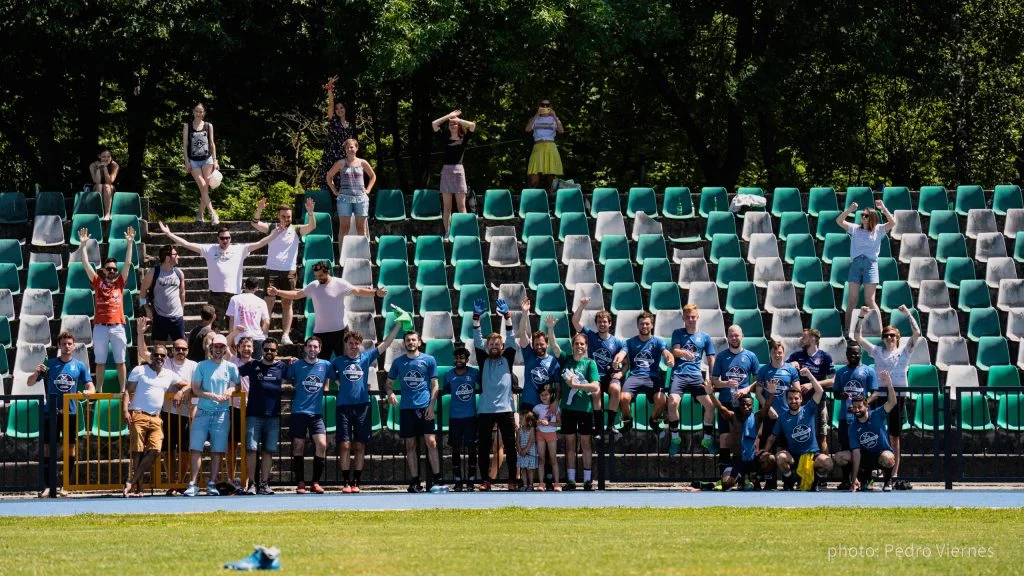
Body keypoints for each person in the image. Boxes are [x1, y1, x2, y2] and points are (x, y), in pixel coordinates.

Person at [159, 222, 280, 331]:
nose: (225, 240)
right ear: (218, 238)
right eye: (222, 238)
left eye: (228, 238)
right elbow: (186, 244)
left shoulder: (240, 249)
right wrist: (169, 233)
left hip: (235, 296)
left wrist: (275, 234)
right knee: (213, 328)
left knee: (233, 328)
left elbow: (260, 243)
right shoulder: (209, 249)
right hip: (215, 295)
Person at [855, 304, 921, 491]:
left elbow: (917, 333)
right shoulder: (877, 351)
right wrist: (861, 316)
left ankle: (893, 474)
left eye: (892, 335)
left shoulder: (904, 351)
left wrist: (908, 313)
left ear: (897, 338)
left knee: (895, 437)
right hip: (881, 396)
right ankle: (874, 471)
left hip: (898, 397)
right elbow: (857, 338)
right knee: (876, 432)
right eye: (886, 336)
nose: (889, 338)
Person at [330, 323, 402, 493]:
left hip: (362, 407)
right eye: (350, 344)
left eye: (356, 344)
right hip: (343, 408)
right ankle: (346, 481)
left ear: (360, 345)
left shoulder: (365, 358)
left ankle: (357, 481)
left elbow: (385, 344)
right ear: (346, 345)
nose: (353, 347)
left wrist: (397, 325)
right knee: (345, 445)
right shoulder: (338, 361)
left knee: (360, 445)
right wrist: (339, 383)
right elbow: (326, 371)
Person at [267, 260, 386, 359]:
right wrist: (278, 292)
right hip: (321, 333)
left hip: (340, 331)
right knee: (322, 366)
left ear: (327, 271)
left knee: (345, 361)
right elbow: (297, 294)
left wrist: (376, 293)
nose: (319, 278)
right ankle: (325, 388)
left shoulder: (340, 283)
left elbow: (358, 291)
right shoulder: (314, 285)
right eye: (316, 276)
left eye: (321, 275)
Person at [26, 332, 94, 497]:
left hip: (70, 412)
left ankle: (66, 485)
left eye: (70, 343)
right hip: (51, 412)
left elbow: (91, 387)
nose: (67, 346)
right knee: (48, 448)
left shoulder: (79, 366)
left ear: (74, 345)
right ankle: (49, 486)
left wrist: (87, 392)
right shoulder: (49, 364)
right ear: (59, 345)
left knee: (70, 448)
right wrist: (36, 373)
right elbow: (29, 383)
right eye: (64, 343)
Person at [123, 334, 188, 497]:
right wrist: (125, 410)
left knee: (155, 450)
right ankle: (139, 488)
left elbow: (186, 384)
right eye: (157, 355)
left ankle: (131, 482)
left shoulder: (169, 374)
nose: (159, 357)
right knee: (137, 452)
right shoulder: (140, 370)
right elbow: (127, 391)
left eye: (162, 355)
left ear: (166, 358)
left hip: (156, 418)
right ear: (151, 356)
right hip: (138, 415)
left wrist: (180, 391)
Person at [250, 197, 317, 345]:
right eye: (283, 216)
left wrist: (311, 212)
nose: (286, 219)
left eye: (288, 217)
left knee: (287, 304)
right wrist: (259, 209)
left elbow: (312, 226)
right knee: (268, 302)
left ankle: (285, 335)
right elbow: (254, 223)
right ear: (278, 216)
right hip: (272, 270)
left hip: (289, 272)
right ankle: (265, 332)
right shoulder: (271, 228)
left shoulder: (296, 230)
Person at [76, 226, 134, 396]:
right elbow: (85, 264)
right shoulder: (97, 282)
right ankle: (99, 390)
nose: (112, 271)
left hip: (117, 326)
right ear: (104, 270)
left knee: (121, 361)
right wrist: (83, 246)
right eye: (109, 268)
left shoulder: (120, 283)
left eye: (114, 269)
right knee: (100, 362)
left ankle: (123, 391)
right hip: (100, 326)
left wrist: (130, 244)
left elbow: (128, 264)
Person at [384, 331, 443, 493]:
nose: (410, 342)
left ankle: (437, 479)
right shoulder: (398, 363)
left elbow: (435, 385)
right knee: (410, 445)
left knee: (431, 442)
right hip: (407, 409)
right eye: (408, 340)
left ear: (419, 342)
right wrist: (390, 393)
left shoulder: (429, 360)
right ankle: (415, 481)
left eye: (413, 340)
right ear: (404, 343)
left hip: (425, 407)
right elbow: (388, 384)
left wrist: (431, 406)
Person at [471, 298, 519, 491]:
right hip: (485, 410)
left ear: (501, 346)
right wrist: (476, 318)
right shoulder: (483, 359)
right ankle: (486, 481)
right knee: (483, 447)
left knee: (510, 446)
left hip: (506, 409)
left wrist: (507, 316)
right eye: (490, 343)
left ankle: (512, 481)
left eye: (496, 343)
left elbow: (511, 337)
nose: (493, 346)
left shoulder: (508, 357)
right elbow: (476, 337)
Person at [763, 364, 834, 491]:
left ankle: (815, 481)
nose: (793, 401)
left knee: (828, 463)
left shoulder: (809, 409)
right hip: (794, 455)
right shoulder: (783, 417)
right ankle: (791, 480)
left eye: (796, 398)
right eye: (790, 399)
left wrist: (809, 376)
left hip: (812, 454)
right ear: (787, 400)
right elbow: (772, 437)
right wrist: (765, 451)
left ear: (801, 399)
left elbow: (820, 391)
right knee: (780, 457)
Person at [186, 333, 239, 496]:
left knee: (217, 450)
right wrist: (213, 396)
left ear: (225, 349)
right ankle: (193, 484)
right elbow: (196, 389)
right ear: (211, 348)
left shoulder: (231, 367)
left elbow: (236, 385)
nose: (218, 349)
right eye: (215, 346)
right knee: (196, 448)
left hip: (222, 413)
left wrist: (230, 390)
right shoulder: (201, 365)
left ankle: (212, 483)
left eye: (221, 347)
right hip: (203, 412)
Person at [149, 317, 197, 494]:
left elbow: (196, 385)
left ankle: (180, 480)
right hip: (167, 412)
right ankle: (171, 481)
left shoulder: (193, 365)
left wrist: (181, 391)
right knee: (168, 449)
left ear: (188, 351)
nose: (180, 352)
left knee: (185, 450)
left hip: (186, 413)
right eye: (177, 349)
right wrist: (140, 333)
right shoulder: (166, 362)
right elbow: (143, 353)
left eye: (184, 349)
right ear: (172, 350)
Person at [551, 327, 601, 491]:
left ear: (586, 346)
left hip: (585, 410)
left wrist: (576, 385)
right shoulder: (566, 359)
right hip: (568, 409)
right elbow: (554, 346)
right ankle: (571, 480)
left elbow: (595, 387)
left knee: (586, 444)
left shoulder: (590, 363)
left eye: (582, 344)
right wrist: (551, 328)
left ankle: (587, 480)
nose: (579, 346)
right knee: (570, 445)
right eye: (576, 343)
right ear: (572, 345)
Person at [835, 199, 896, 335]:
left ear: (872, 217)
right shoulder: (855, 229)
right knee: (852, 300)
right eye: (862, 214)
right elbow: (839, 221)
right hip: (856, 264)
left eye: (866, 215)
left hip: (870, 265)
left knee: (870, 300)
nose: (863, 216)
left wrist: (883, 208)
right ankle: (847, 329)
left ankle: (881, 331)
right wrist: (850, 210)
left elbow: (893, 223)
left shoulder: (878, 229)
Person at [832, 371, 899, 492]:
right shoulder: (852, 427)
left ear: (866, 406)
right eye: (855, 407)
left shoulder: (877, 414)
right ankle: (860, 479)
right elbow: (856, 454)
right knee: (839, 456)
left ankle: (888, 480)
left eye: (860, 407)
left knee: (888, 458)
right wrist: (854, 481)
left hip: (880, 455)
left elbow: (892, 402)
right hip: (864, 457)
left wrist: (889, 383)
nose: (857, 410)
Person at [571, 297, 627, 439]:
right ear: (596, 324)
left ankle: (610, 426)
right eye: (599, 322)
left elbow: (626, 363)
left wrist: (620, 373)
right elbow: (575, 322)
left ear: (610, 324)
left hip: (610, 376)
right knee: (595, 392)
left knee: (615, 389)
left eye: (605, 322)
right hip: (595, 376)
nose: (602, 324)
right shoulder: (590, 336)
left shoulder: (617, 342)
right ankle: (599, 427)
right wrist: (582, 305)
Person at [284, 337, 333, 494]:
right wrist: (288, 362)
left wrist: (326, 386)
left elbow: (335, 378)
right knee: (298, 446)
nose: (312, 349)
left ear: (319, 349)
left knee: (322, 444)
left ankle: (315, 482)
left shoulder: (325, 365)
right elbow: (284, 376)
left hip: (316, 414)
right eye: (309, 346)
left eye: (315, 347)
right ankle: (300, 482)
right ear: (305, 348)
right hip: (299, 412)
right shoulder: (296, 365)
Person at [703, 380, 772, 490]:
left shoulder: (757, 417)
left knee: (770, 458)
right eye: (743, 404)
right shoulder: (732, 417)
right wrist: (710, 394)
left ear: (753, 406)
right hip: (737, 460)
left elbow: (767, 406)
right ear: (739, 405)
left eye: (749, 405)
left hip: (754, 459)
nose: (746, 407)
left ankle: (762, 479)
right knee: (726, 484)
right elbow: (720, 407)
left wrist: (772, 393)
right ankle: (741, 479)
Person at [709, 325, 760, 474]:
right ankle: (724, 476)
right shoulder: (721, 356)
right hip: (726, 401)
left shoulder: (751, 356)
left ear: (742, 336)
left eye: (736, 335)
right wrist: (725, 383)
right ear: (727, 337)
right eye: (731, 335)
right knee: (725, 438)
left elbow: (759, 380)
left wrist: (746, 389)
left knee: (746, 439)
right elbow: (714, 380)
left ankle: (747, 476)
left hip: (745, 405)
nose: (734, 338)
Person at [238, 337, 286, 495]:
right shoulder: (252, 365)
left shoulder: (281, 367)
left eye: (272, 350)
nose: (269, 352)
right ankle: (251, 483)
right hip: (253, 415)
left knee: (268, 451)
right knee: (251, 449)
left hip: (273, 416)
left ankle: (264, 484)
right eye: (266, 349)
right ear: (262, 350)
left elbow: (295, 373)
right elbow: (233, 373)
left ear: (276, 351)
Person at [786, 328, 835, 480]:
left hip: (818, 401)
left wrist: (812, 385)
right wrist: (789, 366)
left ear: (813, 338)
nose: (801, 338)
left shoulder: (825, 357)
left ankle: (824, 473)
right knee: (799, 435)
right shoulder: (796, 356)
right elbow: (782, 371)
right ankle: (797, 474)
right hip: (798, 403)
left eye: (804, 336)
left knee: (822, 436)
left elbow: (834, 380)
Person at [669, 304, 717, 455]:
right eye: (688, 317)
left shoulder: (705, 337)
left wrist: (712, 378)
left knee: (710, 406)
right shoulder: (678, 333)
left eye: (693, 317)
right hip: (679, 374)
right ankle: (675, 439)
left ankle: (707, 439)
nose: (691, 320)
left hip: (696, 376)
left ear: (697, 318)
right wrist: (683, 352)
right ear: (683, 318)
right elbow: (675, 351)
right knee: (672, 402)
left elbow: (711, 359)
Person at [754, 339, 801, 490]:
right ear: (770, 353)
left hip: (787, 417)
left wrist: (791, 410)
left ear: (784, 354)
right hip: (770, 417)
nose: (777, 355)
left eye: (780, 352)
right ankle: (770, 480)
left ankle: (790, 479)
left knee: (789, 449)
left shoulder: (791, 370)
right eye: (774, 352)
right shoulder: (764, 370)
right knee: (769, 449)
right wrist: (768, 408)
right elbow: (758, 393)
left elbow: (797, 391)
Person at [831, 342, 878, 490]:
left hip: (863, 419)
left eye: (856, 353)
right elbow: (836, 393)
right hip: (845, 417)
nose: (853, 356)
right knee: (845, 447)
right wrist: (841, 395)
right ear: (846, 355)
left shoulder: (868, 371)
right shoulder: (841, 372)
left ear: (860, 354)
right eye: (850, 353)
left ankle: (866, 479)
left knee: (866, 446)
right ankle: (847, 479)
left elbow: (875, 392)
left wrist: (863, 405)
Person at [619, 312, 675, 432]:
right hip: (634, 377)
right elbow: (622, 352)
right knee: (623, 398)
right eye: (642, 324)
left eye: (647, 324)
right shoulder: (629, 342)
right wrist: (618, 357)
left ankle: (653, 419)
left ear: (652, 325)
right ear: (638, 326)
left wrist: (669, 358)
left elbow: (666, 352)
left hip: (652, 377)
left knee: (661, 399)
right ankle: (627, 421)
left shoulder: (658, 342)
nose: (644, 326)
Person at [441, 346, 481, 492]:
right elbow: (445, 389)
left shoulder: (474, 373)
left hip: (470, 417)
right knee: (456, 448)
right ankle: (457, 480)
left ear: (467, 359)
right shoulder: (449, 374)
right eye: (457, 357)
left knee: (471, 448)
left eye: (461, 358)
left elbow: (483, 386)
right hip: (455, 417)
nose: (459, 360)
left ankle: (471, 480)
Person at [431, 109, 477, 235]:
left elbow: (473, 125)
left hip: (459, 172)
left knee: (462, 207)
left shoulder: (464, 138)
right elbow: (434, 124)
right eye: (451, 123)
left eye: (455, 123)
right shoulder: (444, 138)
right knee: (447, 207)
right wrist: (449, 116)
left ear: (459, 125)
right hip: (446, 172)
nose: (453, 124)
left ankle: (464, 232)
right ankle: (448, 232)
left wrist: (458, 119)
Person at [325, 138, 376, 238]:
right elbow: (329, 176)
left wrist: (368, 190)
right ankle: (342, 253)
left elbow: (373, 176)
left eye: (351, 147)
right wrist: (334, 190)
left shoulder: (363, 162)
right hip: (344, 198)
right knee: (344, 228)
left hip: (361, 198)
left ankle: (362, 253)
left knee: (361, 228)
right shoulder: (340, 163)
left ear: (356, 148)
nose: (349, 149)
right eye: (347, 147)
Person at [517, 297, 560, 413]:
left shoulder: (553, 362)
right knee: (526, 431)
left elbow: (557, 385)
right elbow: (522, 332)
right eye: (536, 344)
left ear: (547, 344)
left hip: (545, 405)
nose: (539, 346)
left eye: (541, 344)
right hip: (528, 403)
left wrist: (556, 401)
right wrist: (525, 312)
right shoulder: (529, 354)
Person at [139, 246, 186, 346]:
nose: (179, 257)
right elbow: (142, 293)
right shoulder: (153, 272)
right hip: (160, 317)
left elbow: (182, 292)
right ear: (168, 258)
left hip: (177, 317)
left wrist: (182, 309)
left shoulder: (179, 273)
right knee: (160, 349)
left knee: (181, 346)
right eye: (176, 255)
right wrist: (146, 308)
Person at [182, 102, 221, 223]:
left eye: (201, 111)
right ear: (193, 112)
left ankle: (199, 214)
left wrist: (215, 160)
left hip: (207, 160)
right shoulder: (187, 126)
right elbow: (185, 145)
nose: (199, 113)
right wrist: (186, 162)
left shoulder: (209, 126)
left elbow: (212, 143)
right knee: (203, 186)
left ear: (204, 113)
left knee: (204, 189)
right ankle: (213, 213)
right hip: (193, 161)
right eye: (197, 111)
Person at [319, 76, 357, 192]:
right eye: (337, 109)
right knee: (328, 183)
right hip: (330, 156)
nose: (339, 110)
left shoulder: (350, 125)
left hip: (343, 158)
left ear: (345, 109)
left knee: (344, 185)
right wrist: (330, 89)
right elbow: (330, 104)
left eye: (341, 107)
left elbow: (350, 144)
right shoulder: (333, 121)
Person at [226, 278, 270, 361]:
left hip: (240, 337)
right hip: (257, 337)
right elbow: (266, 322)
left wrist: (231, 337)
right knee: (256, 365)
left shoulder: (234, 299)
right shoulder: (261, 302)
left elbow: (231, 319)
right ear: (257, 287)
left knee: (242, 365)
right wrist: (263, 334)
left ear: (244, 285)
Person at [525, 99, 564, 191]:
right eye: (543, 105)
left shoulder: (555, 119)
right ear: (539, 106)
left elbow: (561, 131)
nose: (545, 107)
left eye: (547, 105)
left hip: (550, 146)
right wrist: (536, 115)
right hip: (538, 146)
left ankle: (551, 197)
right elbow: (527, 129)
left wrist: (554, 116)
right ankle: (531, 197)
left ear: (551, 107)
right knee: (533, 176)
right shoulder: (535, 118)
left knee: (551, 175)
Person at [532, 383, 561, 491]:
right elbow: (533, 421)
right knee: (541, 459)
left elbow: (559, 423)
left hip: (551, 434)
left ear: (551, 395)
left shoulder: (555, 407)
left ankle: (557, 483)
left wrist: (548, 424)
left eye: (546, 394)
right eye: (542, 395)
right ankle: (541, 483)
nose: (544, 397)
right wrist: (538, 421)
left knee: (553, 458)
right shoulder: (537, 408)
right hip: (540, 434)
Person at [88, 147, 119, 220]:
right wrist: (99, 169)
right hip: (97, 187)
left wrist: (105, 168)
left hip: (110, 188)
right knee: (99, 186)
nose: (106, 159)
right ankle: (99, 212)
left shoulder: (115, 165)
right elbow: (97, 181)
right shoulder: (93, 166)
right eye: (104, 157)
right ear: (99, 156)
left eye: (108, 156)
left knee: (106, 186)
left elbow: (110, 181)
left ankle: (107, 213)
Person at [516, 410, 538, 491]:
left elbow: (531, 441)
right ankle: (525, 485)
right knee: (523, 470)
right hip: (522, 453)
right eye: (520, 419)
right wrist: (519, 450)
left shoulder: (532, 429)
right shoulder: (520, 430)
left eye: (522, 419)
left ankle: (531, 485)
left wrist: (525, 450)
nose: (520, 420)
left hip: (530, 453)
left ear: (528, 421)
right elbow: (517, 441)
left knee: (530, 470)